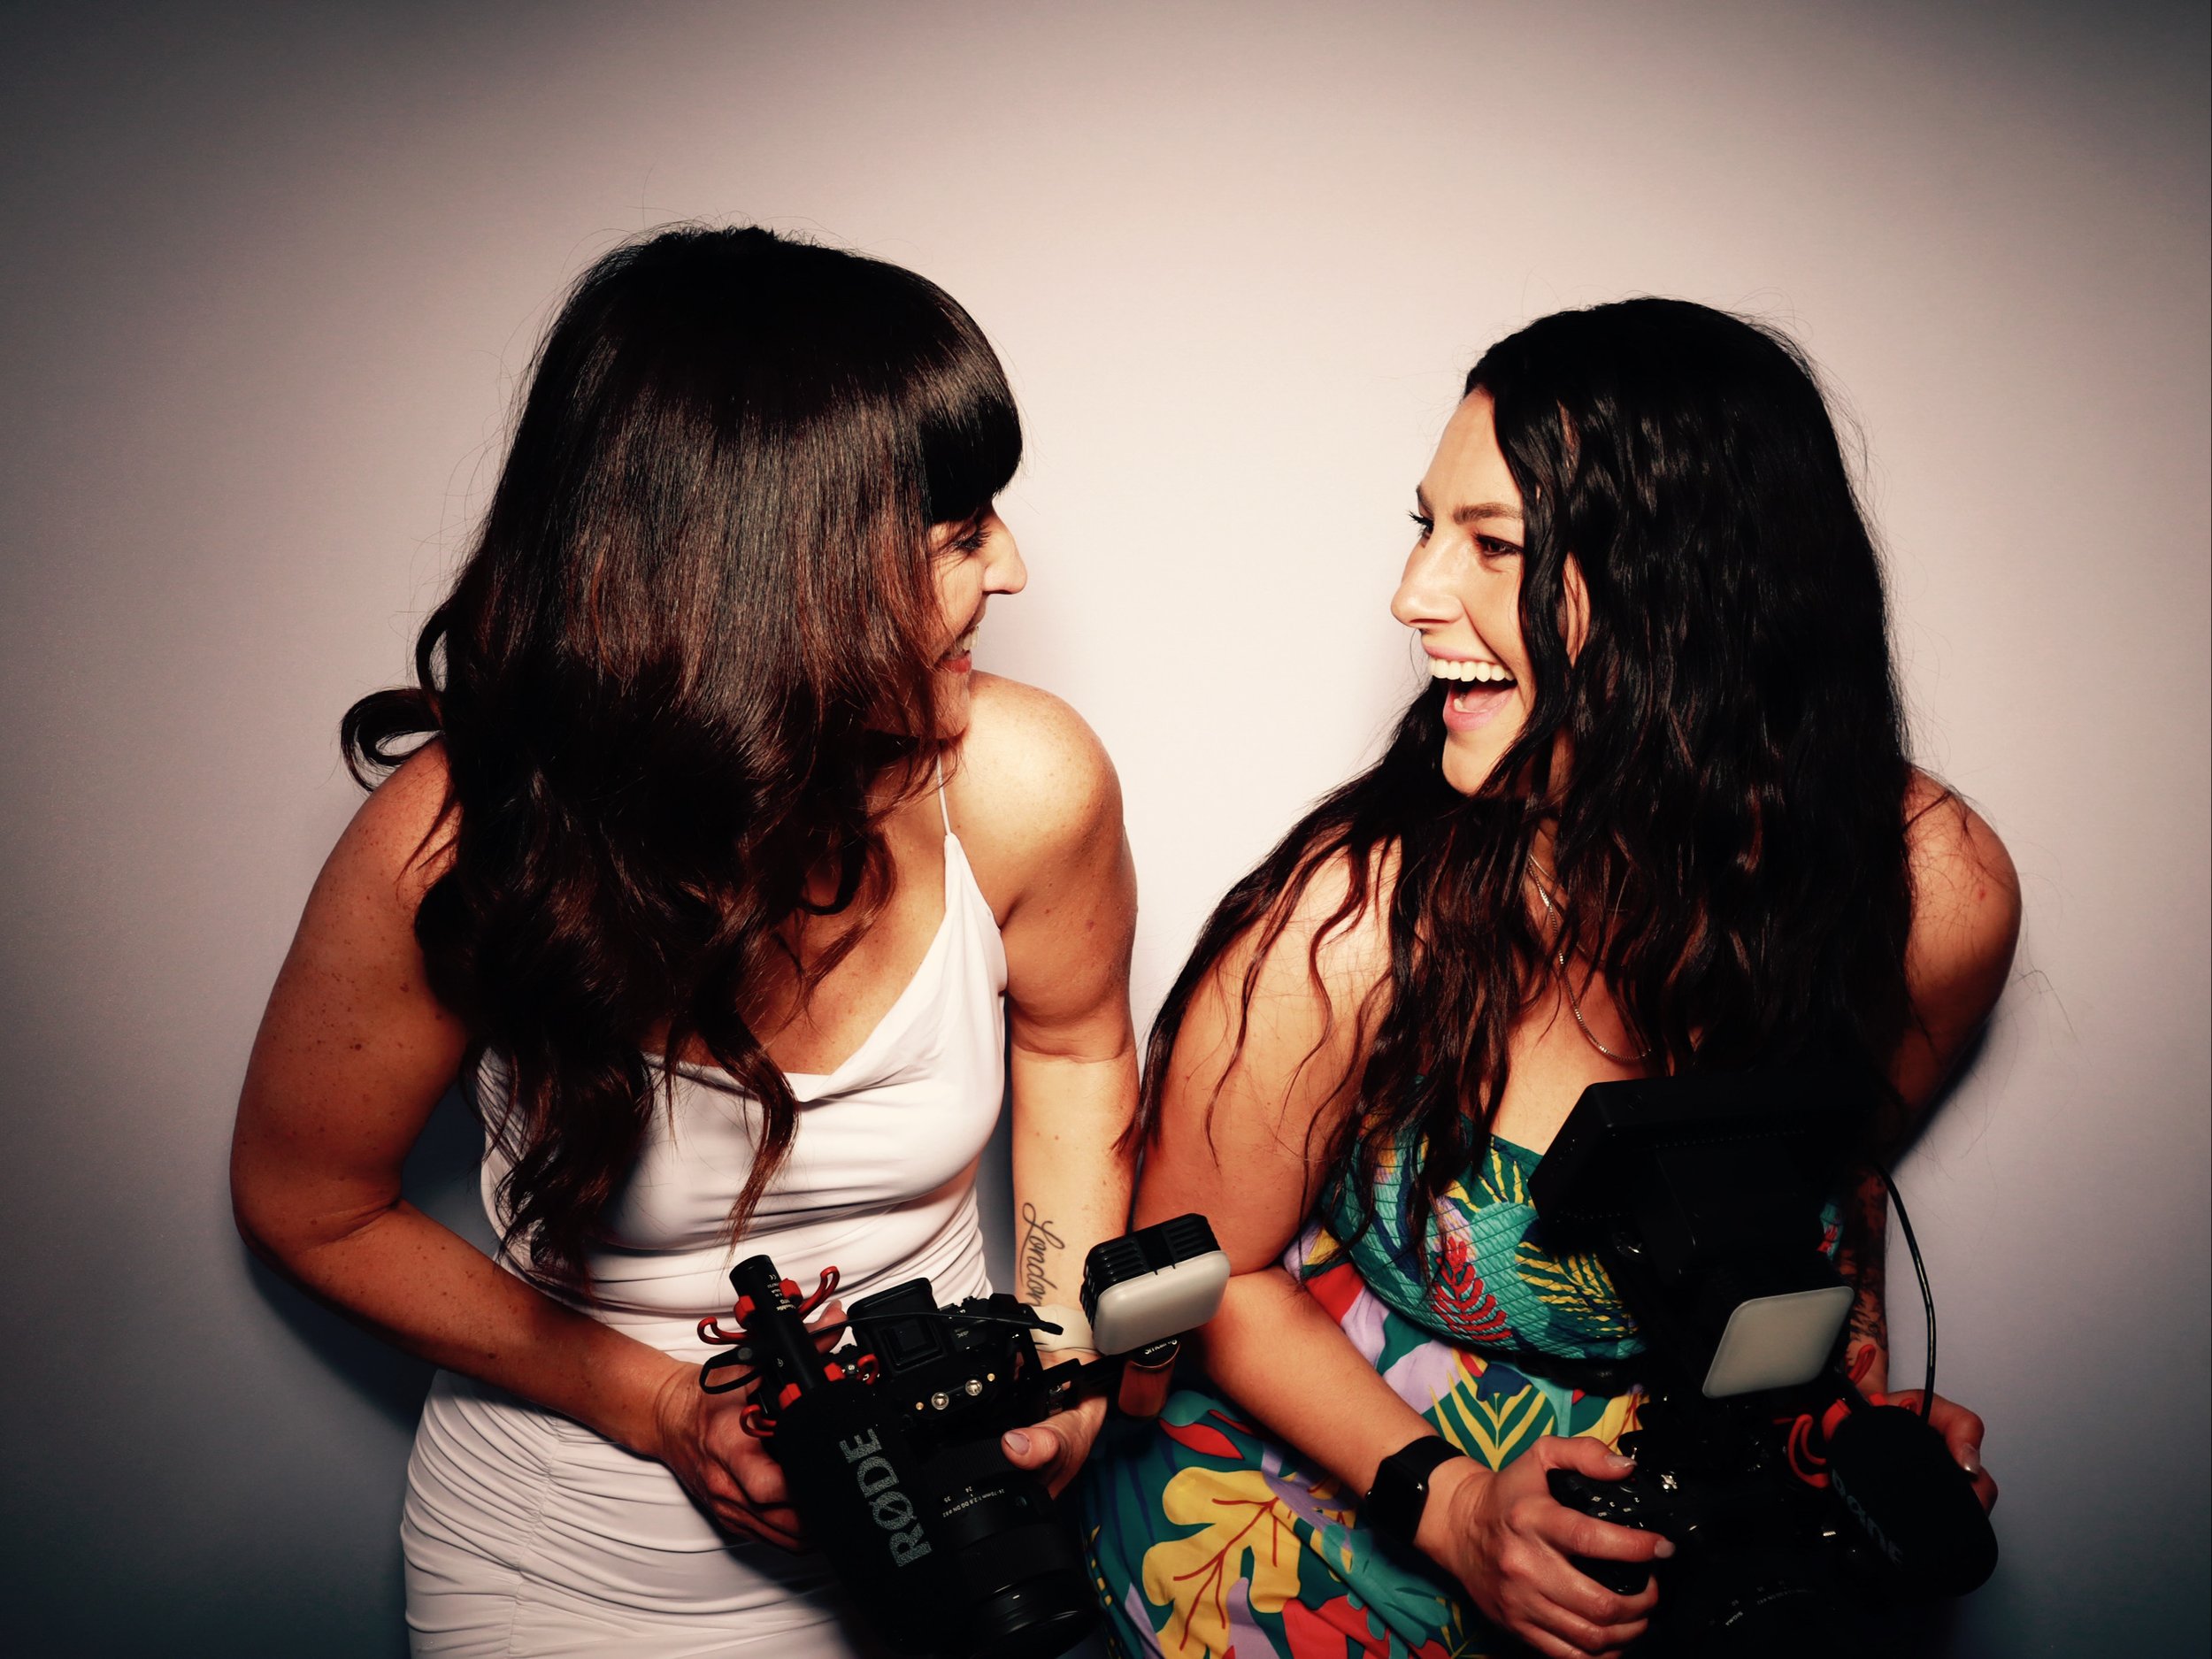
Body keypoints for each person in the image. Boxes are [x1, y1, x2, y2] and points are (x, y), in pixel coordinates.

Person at [229, 226, 1137, 1656]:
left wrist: (1063, 1356)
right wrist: (659, 1406)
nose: (1012, 568)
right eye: (961, 532)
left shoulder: (1026, 783)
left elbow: (1077, 1054)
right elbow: (309, 1204)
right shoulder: (457, 841)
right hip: (574, 1581)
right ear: (775, 574)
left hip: (967, 1546)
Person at [1080, 299, 2018, 1659]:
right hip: (1300, 1558)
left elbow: (1838, 1176)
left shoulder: (1931, 893)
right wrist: (1456, 1507)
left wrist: (1833, 1424)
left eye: (1494, 544)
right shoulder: (1347, 926)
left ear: (1687, 586)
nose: (1414, 596)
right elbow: (1195, 1279)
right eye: (1427, 528)